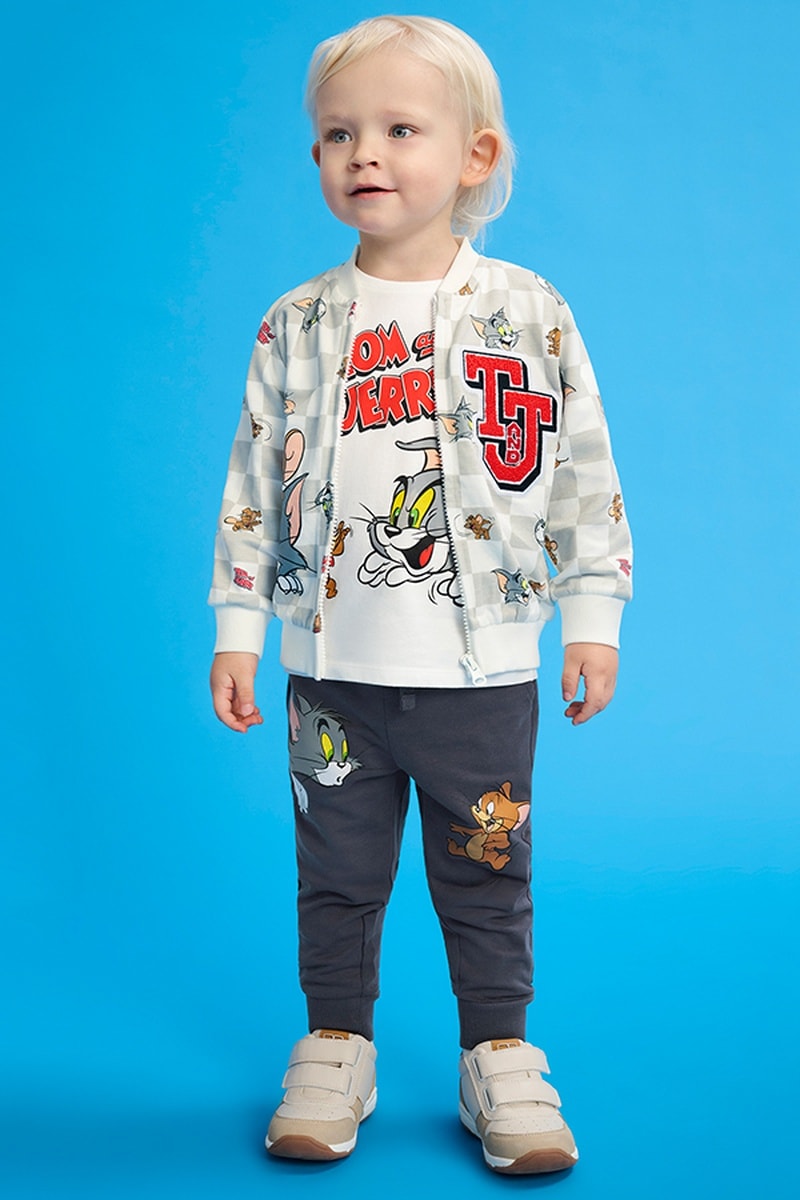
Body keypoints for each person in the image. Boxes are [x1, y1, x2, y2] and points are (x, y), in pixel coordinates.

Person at [209, 14, 632, 1176]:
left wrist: (591, 615)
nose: (365, 153)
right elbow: (252, 482)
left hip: (478, 675)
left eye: (400, 129)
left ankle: (498, 1051)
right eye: (338, 133)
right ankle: (334, 1044)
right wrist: (239, 627)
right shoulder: (296, 324)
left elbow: (581, 469)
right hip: (330, 676)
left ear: (474, 155)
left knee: (486, 875)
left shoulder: (526, 311)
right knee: (336, 878)